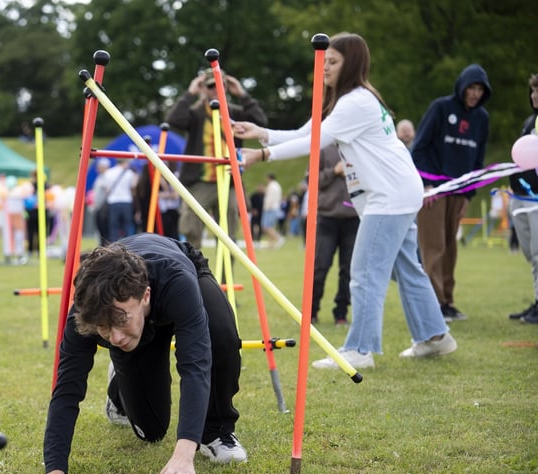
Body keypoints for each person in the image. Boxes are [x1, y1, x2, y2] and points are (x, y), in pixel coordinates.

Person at [233, 32, 457, 369]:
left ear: (350, 64)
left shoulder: (355, 102)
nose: (324, 68)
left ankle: (360, 350)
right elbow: (305, 134)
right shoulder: (346, 101)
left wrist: (262, 155)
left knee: (364, 273)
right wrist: (262, 133)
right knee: (407, 269)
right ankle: (436, 337)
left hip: (389, 196)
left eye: (333, 62)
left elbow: (316, 142)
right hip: (397, 192)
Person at [11, 233, 246, 474]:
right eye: (104, 328)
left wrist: (184, 451)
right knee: (152, 430)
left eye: (121, 321)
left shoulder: (177, 282)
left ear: (145, 296)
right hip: (138, 316)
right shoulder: (86, 309)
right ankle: (118, 391)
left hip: (181, 269)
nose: (115, 337)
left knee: (221, 336)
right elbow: (67, 389)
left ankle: (216, 432)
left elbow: (195, 365)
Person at [412, 64, 492, 323]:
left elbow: (477, 162)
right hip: (434, 191)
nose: (475, 93)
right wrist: (426, 184)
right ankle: (431, 304)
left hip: (459, 192)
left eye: (480, 89)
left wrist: (469, 196)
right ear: (462, 86)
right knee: (432, 246)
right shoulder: (441, 108)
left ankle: (446, 302)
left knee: (450, 247)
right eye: (471, 87)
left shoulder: (482, 119)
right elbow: (419, 147)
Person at [166, 69, 267, 249]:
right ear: (204, 88)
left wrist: (243, 94)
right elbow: (174, 119)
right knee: (191, 231)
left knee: (228, 236)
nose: (216, 90)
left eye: (221, 86)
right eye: (212, 86)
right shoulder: (196, 113)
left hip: (228, 181)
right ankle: (193, 275)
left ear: (227, 88)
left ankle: (224, 277)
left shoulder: (235, 112)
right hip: (200, 182)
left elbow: (260, 121)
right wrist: (190, 93)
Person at [311, 144, 359, 325]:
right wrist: (334, 171)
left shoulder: (359, 147)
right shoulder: (323, 148)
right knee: (320, 266)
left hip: (353, 218)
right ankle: (311, 312)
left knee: (348, 270)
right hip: (327, 217)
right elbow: (312, 179)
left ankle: (341, 313)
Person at [507, 74, 538, 324]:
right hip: (521, 197)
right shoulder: (530, 122)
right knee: (530, 253)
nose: (534, 96)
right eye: (532, 91)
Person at [102, 159, 137, 243]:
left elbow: (106, 189)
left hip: (113, 202)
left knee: (113, 227)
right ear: (124, 163)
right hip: (126, 201)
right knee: (127, 226)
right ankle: (129, 246)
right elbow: (133, 186)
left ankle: (114, 246)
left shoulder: (109, 172)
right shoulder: (129, 173)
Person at [90, 158, 112, 246]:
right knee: (100, 229)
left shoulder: (108, 176)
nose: (97, 169)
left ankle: (105, 246)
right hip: (99, 207)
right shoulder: (100, 177)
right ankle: (102, 245)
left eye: (99, 167)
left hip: (104, 208)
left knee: (105, 230)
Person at [261, 173, 284, 248]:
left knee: (267, 226)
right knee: (269, 226)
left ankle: (279, 238)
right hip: (274, 207)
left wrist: (266, 207)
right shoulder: (277, 186)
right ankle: (271, 243)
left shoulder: (272, 186)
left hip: (270, 208)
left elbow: (270, 198)